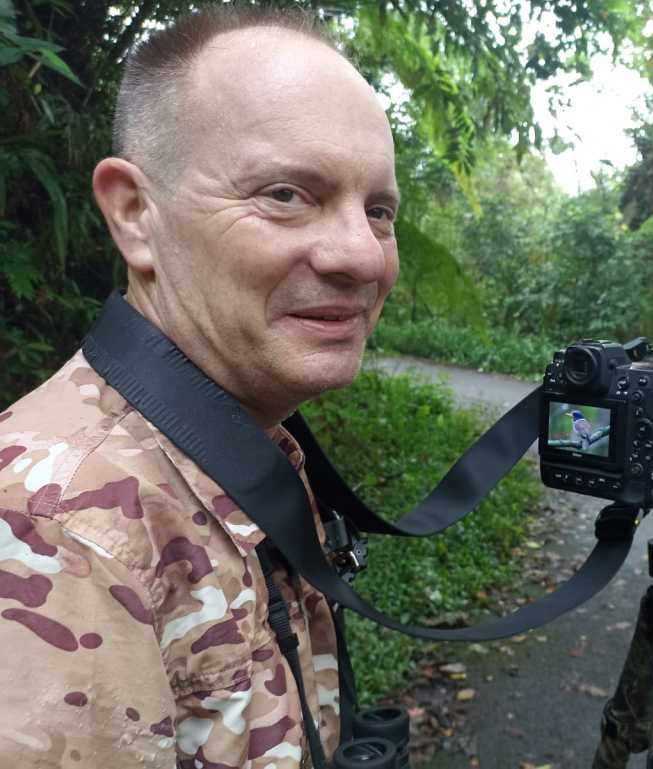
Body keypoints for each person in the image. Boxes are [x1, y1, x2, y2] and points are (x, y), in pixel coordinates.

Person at [0, 6, 399, 767]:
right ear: (135, 215)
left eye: (378, 209)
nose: (362, 255)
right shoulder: (57, 533)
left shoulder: (235, 442)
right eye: (286, 194)